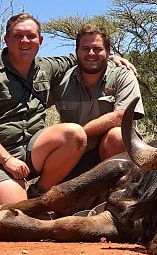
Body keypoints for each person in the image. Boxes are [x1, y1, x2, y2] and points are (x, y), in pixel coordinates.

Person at [0, 13, 137, 204]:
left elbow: (121, 116)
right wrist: (7, 160)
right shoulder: (61, 76)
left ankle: (40, 193)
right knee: (15, 216)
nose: (25, 41)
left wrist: (110, 57)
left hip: (34, 151)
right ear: (6, 39)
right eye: (17, 36)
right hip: (3, 154)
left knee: (91, 134)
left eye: (31, 36)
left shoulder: (48, 67)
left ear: (40, 40)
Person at [50, 24, 144, 181]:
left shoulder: (123, 75)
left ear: (107, 52)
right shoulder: (61, 81)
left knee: (118, 136)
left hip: (113, 152)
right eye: (85, 49)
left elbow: (121, 116)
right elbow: (36, 107)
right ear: (76, 52)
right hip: (75, 154)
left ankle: (117, 192)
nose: (91, 53)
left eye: (97, 49)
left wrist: (78, 134)